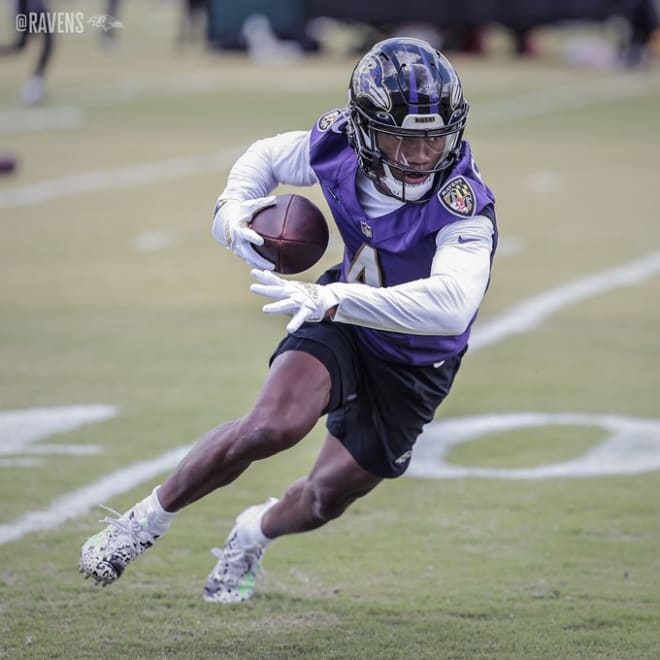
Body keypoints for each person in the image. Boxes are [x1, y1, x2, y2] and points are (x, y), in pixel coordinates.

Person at [79, 37, 498, 603]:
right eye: (403, 138)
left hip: (417, 360)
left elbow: (450, 305)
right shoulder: (338, 145)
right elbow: (267, 157)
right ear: (367, 129)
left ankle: (251, 533)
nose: (422, 156)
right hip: (343, 321)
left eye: (434, 137)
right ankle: (140, 523)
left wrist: (335, 301)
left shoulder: (463, 205)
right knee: (270, 426)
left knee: (324, 500)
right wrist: (232, 216)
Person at [0, 0, 54, 104]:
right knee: (21, 45)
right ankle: (35, 83)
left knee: (46, 40)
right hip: (25, 5)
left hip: (32, 5)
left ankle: (36, 81)